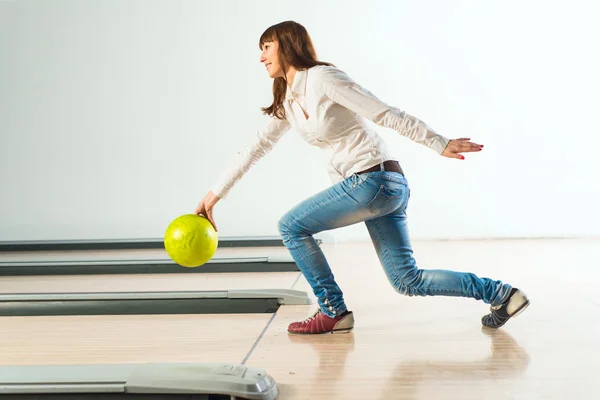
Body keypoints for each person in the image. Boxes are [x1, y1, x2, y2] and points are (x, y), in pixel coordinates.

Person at [194, 21, 529, 335]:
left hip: (373, 181)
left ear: (288, 45)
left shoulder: (323, 78)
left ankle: (333, 311)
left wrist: (437, 142)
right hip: (379, 187)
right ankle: (501, 293)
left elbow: (381, 111)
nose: (261, 56)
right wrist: (213, 197)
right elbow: (256, 147)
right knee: (406, 280)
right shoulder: (289, 99)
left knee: (291, 226)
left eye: (267, 46)